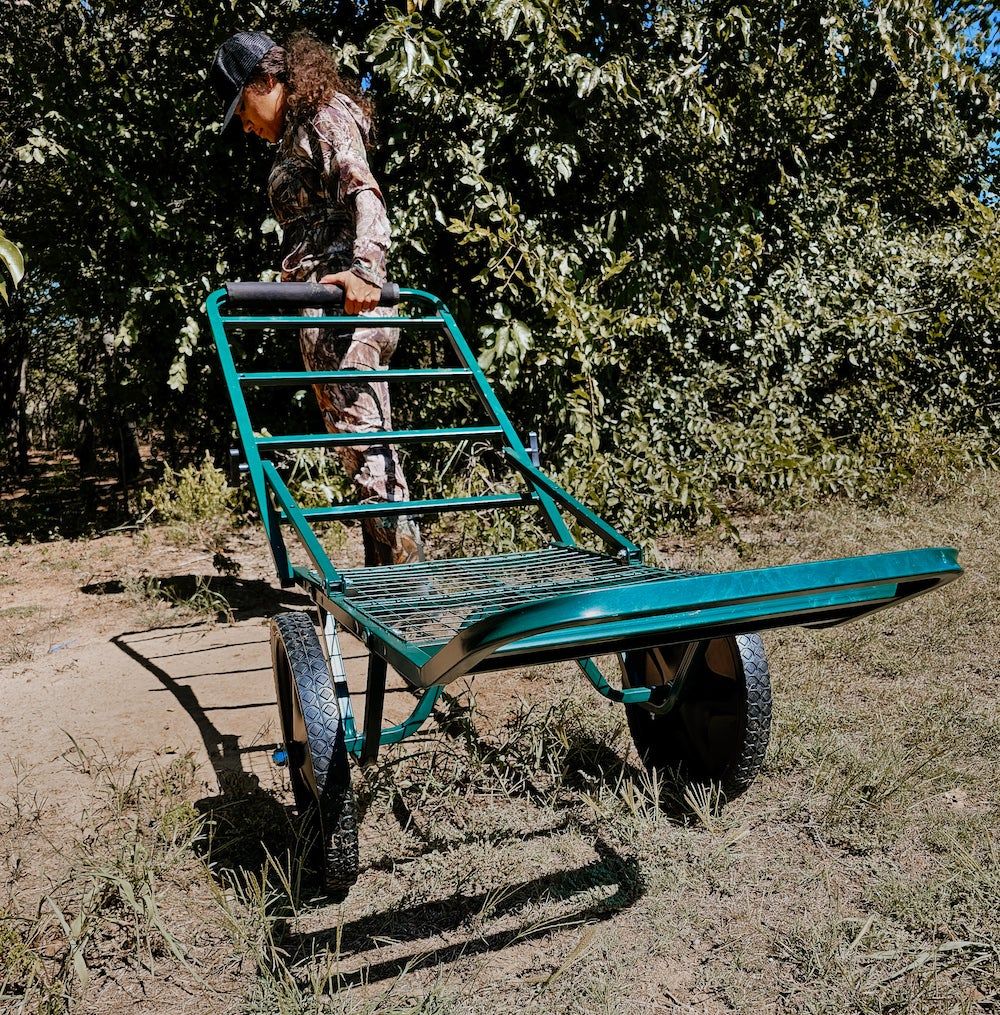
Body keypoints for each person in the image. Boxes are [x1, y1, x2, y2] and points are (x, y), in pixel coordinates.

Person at [209, 29, 423, 565]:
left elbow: (364, 193)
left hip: (347, 315)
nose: (244, 122)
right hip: (328, 312)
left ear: (268, 79)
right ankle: (386, 580)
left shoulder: (324, 115)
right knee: (366, 452)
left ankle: (414, 589)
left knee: (366, 453)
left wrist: (366, 271)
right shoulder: (298, 132)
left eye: (243, 106)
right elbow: (316, 227)